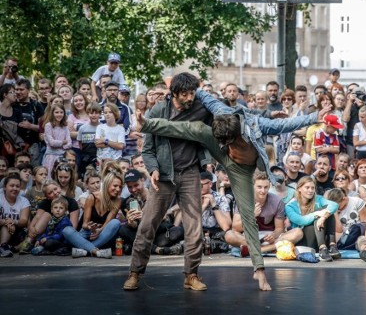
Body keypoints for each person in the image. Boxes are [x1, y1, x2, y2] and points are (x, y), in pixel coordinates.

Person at [131, 84, 332, 291]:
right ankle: (147, 124)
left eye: (230, 141)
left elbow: (284, 124)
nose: (228, 144)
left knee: (248, 216)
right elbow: (202, 95)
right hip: (222, 158)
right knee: (197, 128)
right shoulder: (221, 112)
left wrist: (313, 116)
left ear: (237, 134)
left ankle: (259, 270)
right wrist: (167, 98)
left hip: (241, 171)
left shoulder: (256, 124)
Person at [124, 73, 214, 292]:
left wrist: (208, 160)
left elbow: (214, 126)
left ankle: (191, 275)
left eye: (193, 92)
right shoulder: (158, 111)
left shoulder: (200, 109)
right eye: (185, 93)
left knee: (194, 227)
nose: (190, 97)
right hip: (163, 175)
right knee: (147, 225)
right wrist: (153, 169)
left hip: (190, 172)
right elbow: (147, 149)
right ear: (174, 93)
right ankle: (135, 273)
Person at [226, 171, 303, 255]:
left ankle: (259, 250)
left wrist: (273, 235)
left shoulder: (277, 201)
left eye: (266, 187)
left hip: (269, 238)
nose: (263, 190)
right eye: (259, 187)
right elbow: (236, 228)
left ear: (269, 186)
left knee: (298, 232)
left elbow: (279, 228)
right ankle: (269, 248)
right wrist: (252, 216)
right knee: (229, 235)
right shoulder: (243, 200)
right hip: (248, 237)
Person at [62, 172, 123, 258]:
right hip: (87, 233)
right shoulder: (92, 197)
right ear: (107, 184)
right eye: (115, 186)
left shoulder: (117, 201)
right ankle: (95, 251)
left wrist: (99, 230)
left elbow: (107, 224)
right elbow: (84, 224)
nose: (118, 189)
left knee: (115, 222)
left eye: (120, 187)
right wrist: (91, 227)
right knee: (67, 230)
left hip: (102, 235)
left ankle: (86, 250)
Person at [285, 176, 339, 262]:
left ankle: (332, 246)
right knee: (320, 212)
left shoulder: (318, 199)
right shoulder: (290, 206)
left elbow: (334, 205)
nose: (310, 190)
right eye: (307, 187)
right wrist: (317, 214)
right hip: (303, 240)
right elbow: (301, 221)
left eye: (312, 188)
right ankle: (322, 249)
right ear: (299, 189)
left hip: (318, 237)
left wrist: (324, 216)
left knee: (328, 213)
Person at [0, 173, 30, 257]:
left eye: (17, 186)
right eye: (12, 186)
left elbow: (24, 221)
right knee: (6, 226)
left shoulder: (24, 201)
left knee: (28, 235)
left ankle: (7, 247)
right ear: (5, 187)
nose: (15, 188)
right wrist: (7, 222)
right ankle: (3, 247)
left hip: (16, 232)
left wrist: (14, 222)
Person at [42, 104, 72, 176]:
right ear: (52, 113)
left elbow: (69, 143)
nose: (59, 114)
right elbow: (51, 143)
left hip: (62, 156)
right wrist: (63, 142)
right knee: (50, 175)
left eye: (61, 112)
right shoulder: (48, 126)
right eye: (57, 112)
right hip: (51, 156)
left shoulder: (65, 127)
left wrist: (61, 145)